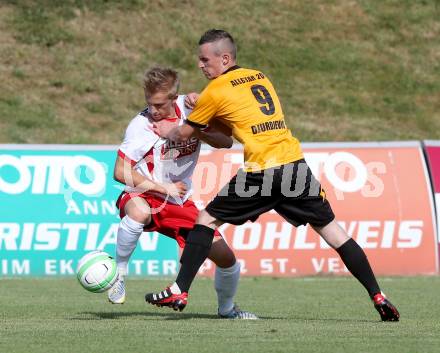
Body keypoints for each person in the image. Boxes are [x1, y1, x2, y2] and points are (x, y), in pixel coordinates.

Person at [146, 29, 400, 322]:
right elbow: (228, 131)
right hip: (295, 167)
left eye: (205, 60)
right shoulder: (259, 76)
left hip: (263, 171)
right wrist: (201, 108)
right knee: (334, 233)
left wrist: (171, 130)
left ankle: (180, 289)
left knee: (205, 220)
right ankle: (378, 295)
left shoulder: (216, 90)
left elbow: (184, 133)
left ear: (225, 58)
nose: (201, 66)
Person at [109, 66, 258, 319]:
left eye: (159, 104)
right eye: (149, 103)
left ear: (173, 97)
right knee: (139, 213)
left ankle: (227, 310)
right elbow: (120, 172)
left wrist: (195, 126)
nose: (153, 110)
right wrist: (162, 187)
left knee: (227, 260)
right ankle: (119, 274)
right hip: (144, 192)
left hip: (179, 200)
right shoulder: (140, 126)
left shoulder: (191, 108)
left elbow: (225, 142)